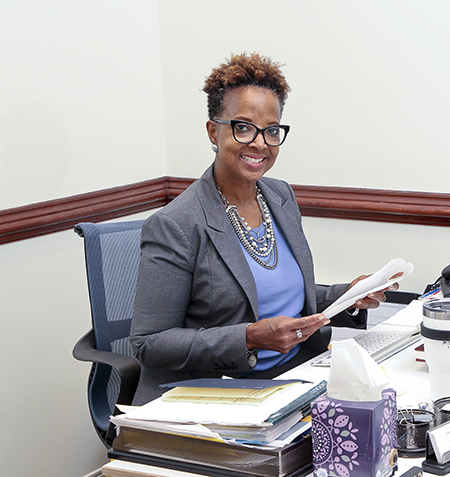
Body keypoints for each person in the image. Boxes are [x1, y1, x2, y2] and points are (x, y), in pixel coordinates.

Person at [130, 52, 396, 405]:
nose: (259, 143)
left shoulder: (279, 195)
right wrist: (249, 338)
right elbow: (149, 343)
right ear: (213, 130)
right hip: (220, 390)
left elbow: (282, 295)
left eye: (271, 131)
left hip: (298, 376)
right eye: (242, 127)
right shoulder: (176, 224)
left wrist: (346, 295)